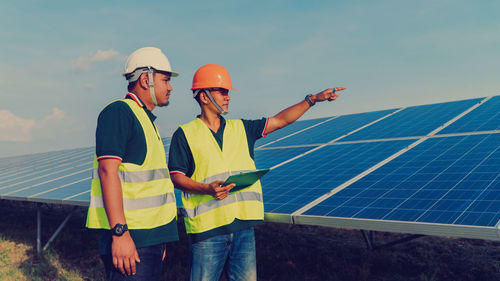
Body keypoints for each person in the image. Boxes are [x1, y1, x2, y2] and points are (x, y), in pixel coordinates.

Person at [168, 63, 346, 281]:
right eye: (222, 91)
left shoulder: (242, 128)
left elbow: (281, 120)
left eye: (228, 92)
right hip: (208, 233)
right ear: (204, 96)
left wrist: (312, 100)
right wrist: (206, 189)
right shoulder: (185, 134)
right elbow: (176, 177)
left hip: (243, 229)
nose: (228, 97)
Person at [86, 47, 179, 281]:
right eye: (165, 80)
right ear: (146, 79)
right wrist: (120, 233)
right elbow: (108, 171)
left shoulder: (147, 120)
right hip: (130, 240)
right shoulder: (119, 112)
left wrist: (159, 239)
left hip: (149, 242)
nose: (170, 87)